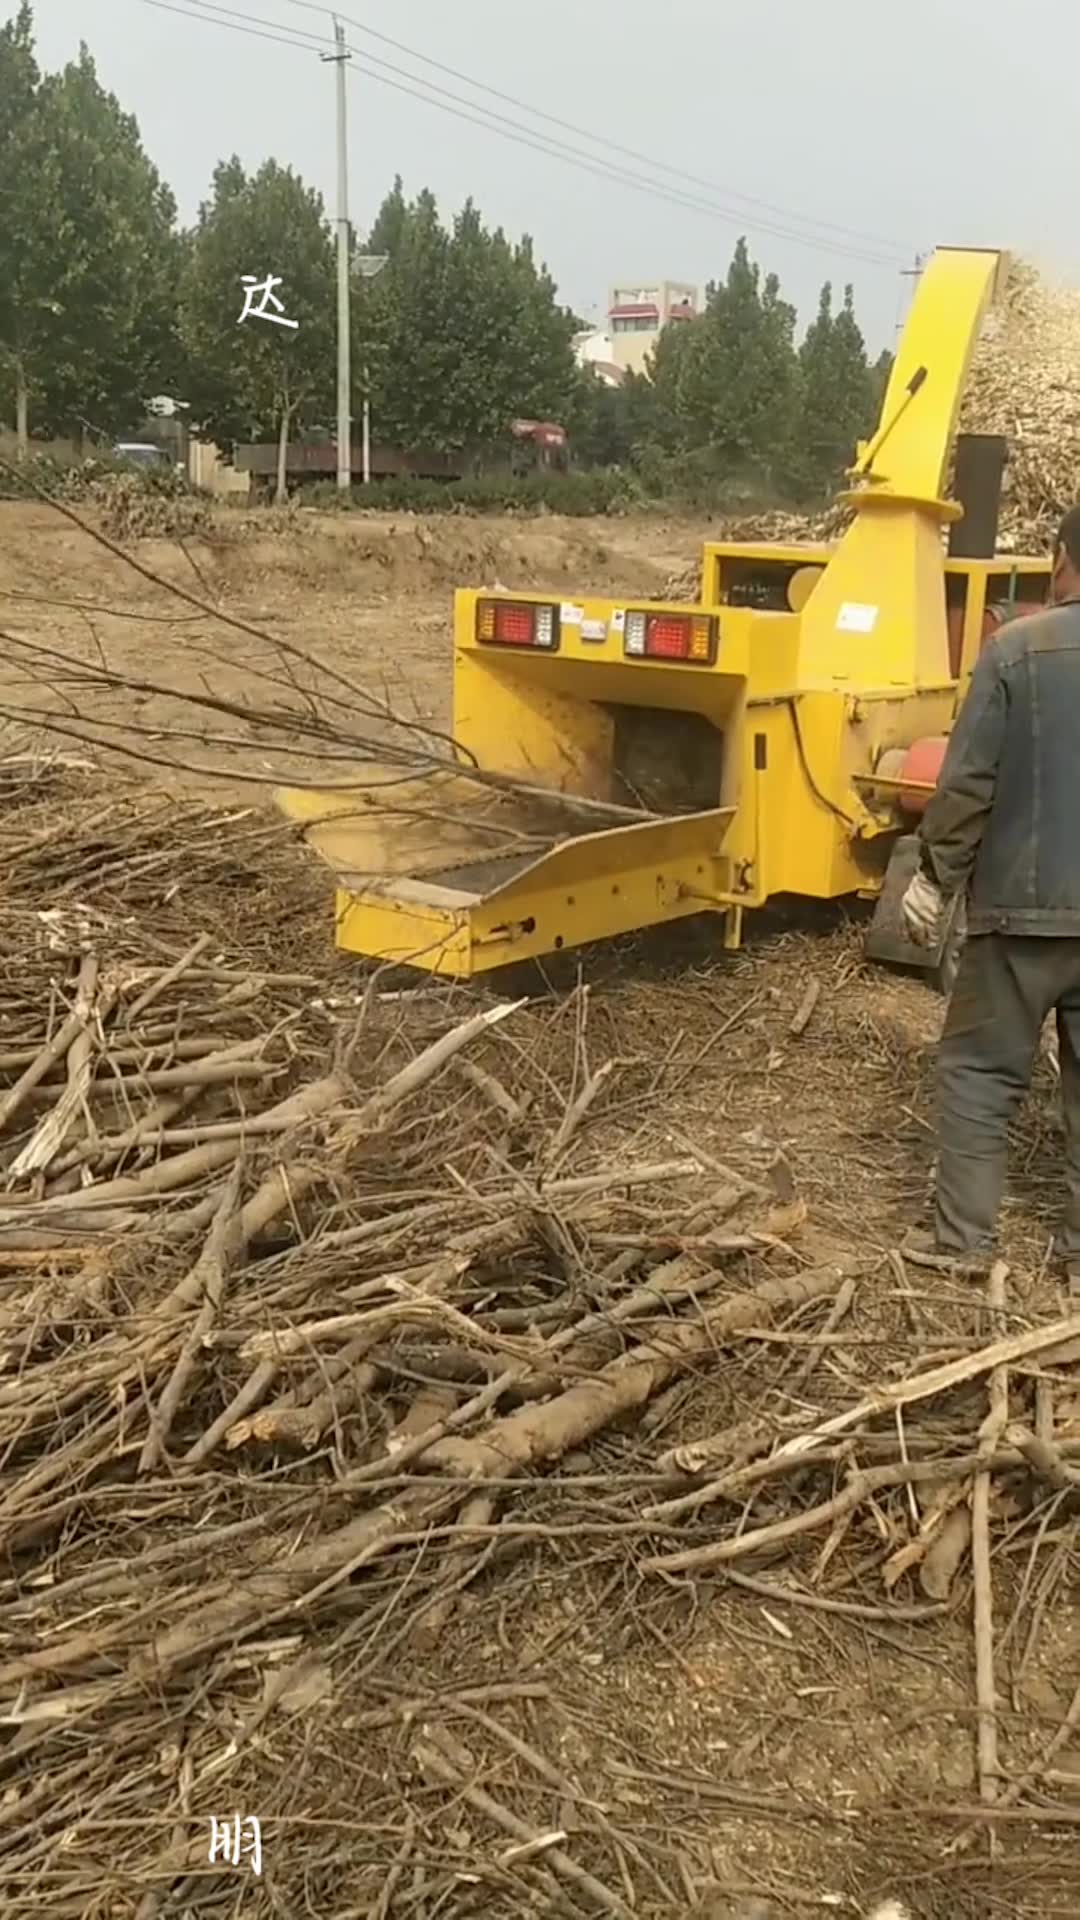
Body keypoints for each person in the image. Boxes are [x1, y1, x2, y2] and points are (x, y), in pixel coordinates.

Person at [901, 505, 1080, 1279]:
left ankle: (963, 1245)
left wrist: (934, 879)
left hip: (1018, 915)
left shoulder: (1014, 650)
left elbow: (968, 782)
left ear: (1062, 555)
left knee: (979, 1071)